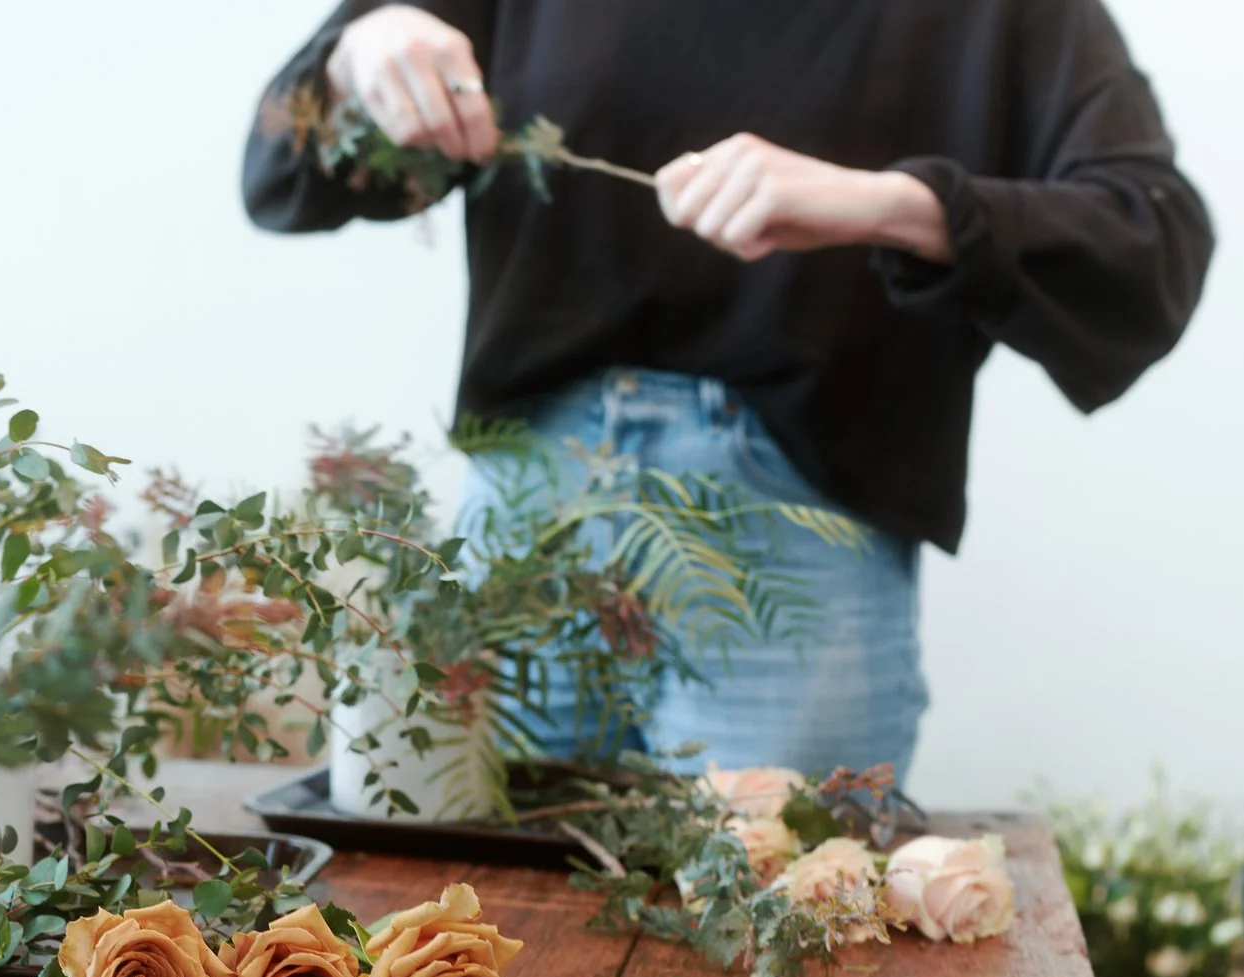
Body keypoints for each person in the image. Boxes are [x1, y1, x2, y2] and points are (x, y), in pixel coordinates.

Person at [244, 0, 1214, 782]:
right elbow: (281, 170)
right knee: (462, 966)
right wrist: (355, 55)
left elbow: (1151, 240)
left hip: (799, 559)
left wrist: (890, 204)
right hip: (519, 537)